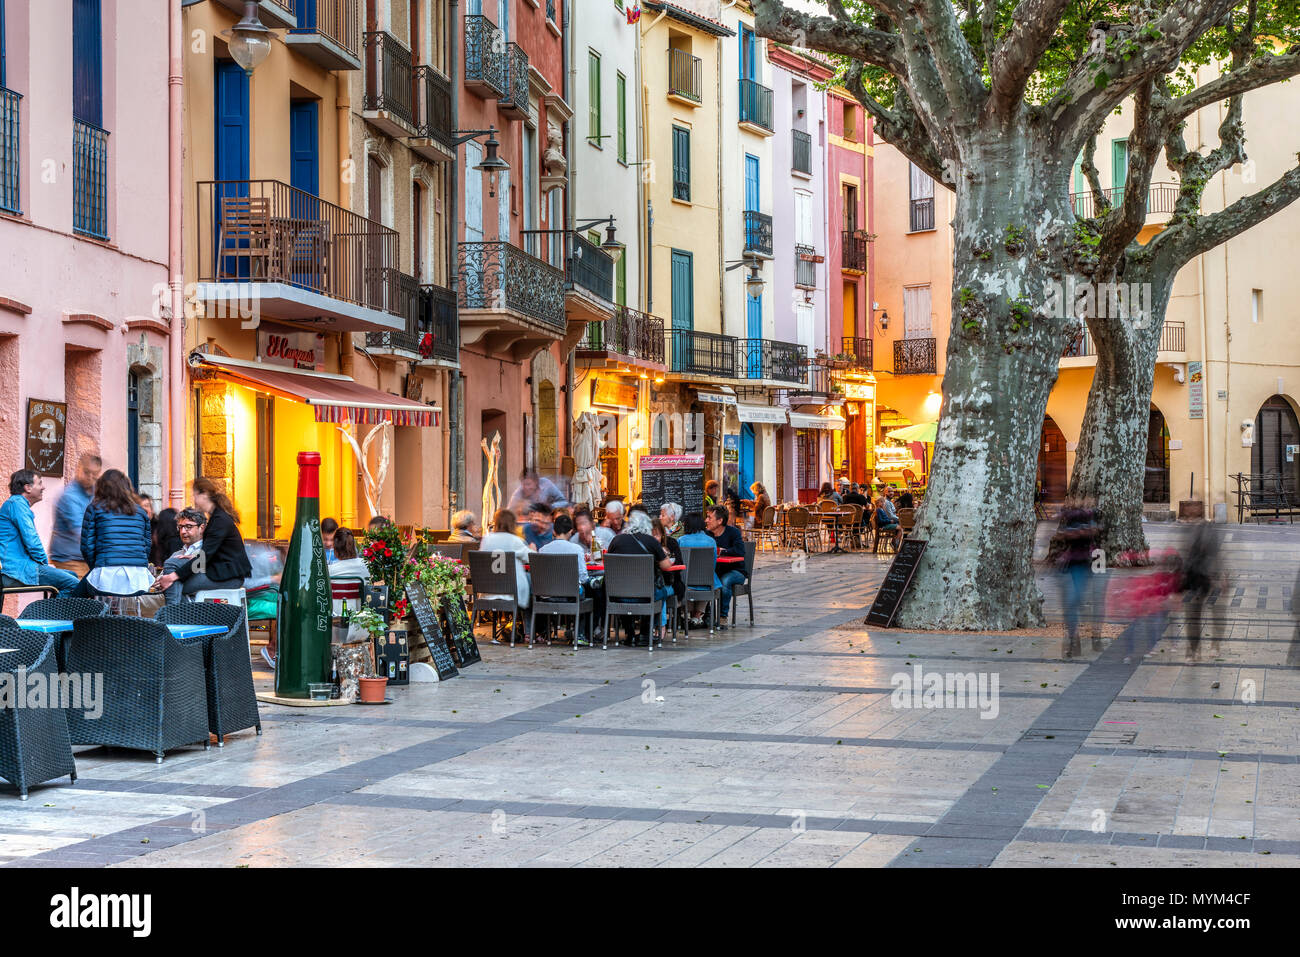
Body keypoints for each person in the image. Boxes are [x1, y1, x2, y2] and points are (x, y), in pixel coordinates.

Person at [153, 478, 252, 603]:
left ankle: (174, 618)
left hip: (229, 577)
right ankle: (178, 618)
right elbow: (210, 554)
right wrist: (193, 557)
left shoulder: (220, 520)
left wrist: (172, 577)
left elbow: (204, 557)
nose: (194, 500)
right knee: (173, 565)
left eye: (194, 496)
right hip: (222, 572)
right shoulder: (218, 517)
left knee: (175, 581)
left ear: (204, 495)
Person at [0, 470, 80, 597]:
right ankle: (49, 616)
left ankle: (46, 613)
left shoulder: (17, 504)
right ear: (28, 488)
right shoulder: (17, 504)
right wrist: (44, 564)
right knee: (73, 584)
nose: (43, 487)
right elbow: (32, 541)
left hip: (17, 567)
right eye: (40, 483)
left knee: (72, 575)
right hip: (14, 570)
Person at [76, 469, 152, 597]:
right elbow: (146, 545)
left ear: (101, 487)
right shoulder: (140, 512)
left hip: (106, 575)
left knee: (75, 600)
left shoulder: (95, 508)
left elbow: (87, 546)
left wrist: (97, 565)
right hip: (138, 578)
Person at [606, 510, 675, 646]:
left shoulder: (617, 540)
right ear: (647, 526)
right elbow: (667, 566)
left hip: (618, 595)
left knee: (628, 591)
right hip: (646, 596)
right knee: (662, 592)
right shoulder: (650, 541)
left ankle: (629, 634)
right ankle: (644, 634)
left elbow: (607, 562)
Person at [1053, 499, 1101, 659]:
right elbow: (1060, 537)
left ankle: (1087, 636)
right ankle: (1073, 638)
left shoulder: (1090, 516)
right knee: (1071, 604)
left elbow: (1095, 533)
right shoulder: (1071, 518)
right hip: (1070, 565)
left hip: (1085, 563)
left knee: (1078, 601)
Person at [478, 509, 532, 641]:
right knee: (533, 586)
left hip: (488, 590)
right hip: (511, 591)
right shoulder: (515, 540)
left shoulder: (487, 540)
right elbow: (531, 558)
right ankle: (529, 631)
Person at [48, 453, 101, 578]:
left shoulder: (95, 493)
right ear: (79, 468)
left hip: (85, 558)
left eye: (94, 474)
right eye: (87, 472)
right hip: (70, 559)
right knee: (77, 596)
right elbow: (81, 532)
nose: (90, 477)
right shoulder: (69, 497)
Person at [706, 505, 747, 629]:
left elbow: (740, 550)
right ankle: (705, 615)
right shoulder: (706, 534)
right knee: (703, 580)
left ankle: (722, 617)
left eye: (709, 517)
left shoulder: (733, 532)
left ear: (720, 521)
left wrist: (723, 552)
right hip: (715, 570)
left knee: (725, 582)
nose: (706, 520)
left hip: (735, 571)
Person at [678, 512, 721, 627]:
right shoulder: (711, 541)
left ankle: (691, 616)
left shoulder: (681, 541)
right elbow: (713, 563)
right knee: (709, 580)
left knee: (682, 582)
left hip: (686, 584)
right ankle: (696, 617)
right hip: (707, 584)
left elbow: (678, 563)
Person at [161, 508, 208, 606]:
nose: (183, 531)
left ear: (201, 528)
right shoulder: (177, 554)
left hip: (202, 605)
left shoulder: (207, 552)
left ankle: (172, 616)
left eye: (188, 526)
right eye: (180, 527)